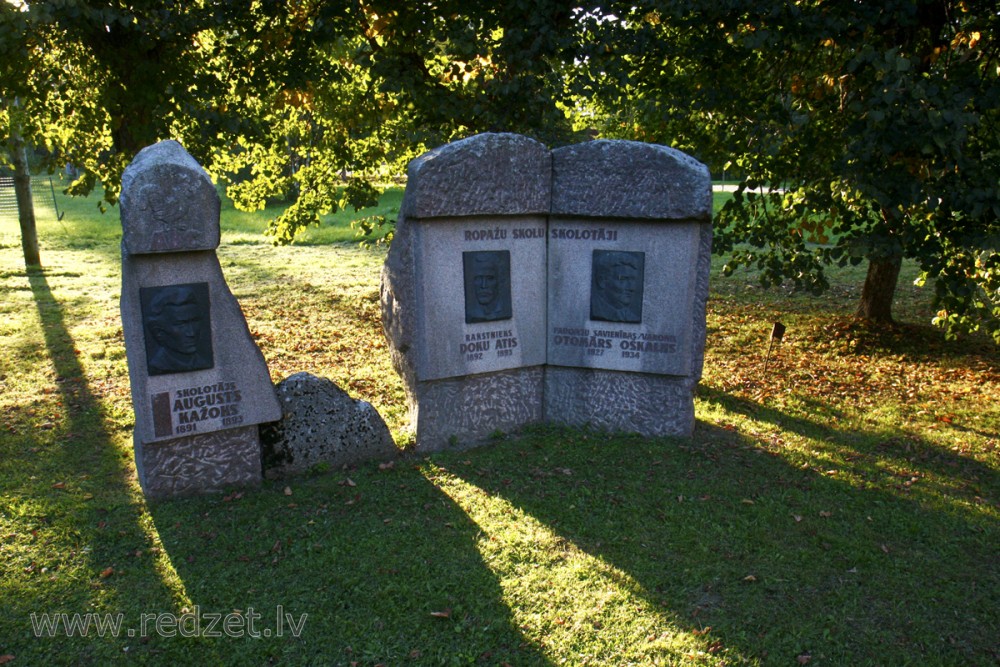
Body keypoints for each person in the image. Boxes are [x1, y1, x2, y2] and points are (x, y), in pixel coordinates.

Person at [142, 284, 214, 375]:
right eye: (181, 325)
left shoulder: (203, 361)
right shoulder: (158, 365)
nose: (191, 333)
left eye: (194, 321)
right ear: (158, 332)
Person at [590, 250, 644, 323]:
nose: (632, 288)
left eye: (632, 280)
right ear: (601, 281)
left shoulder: (631, 316)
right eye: (623, 279)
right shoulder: (594, 309)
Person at [464, 251, 512, 323]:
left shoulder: (506, 309)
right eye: (478, 278)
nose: (483, 285)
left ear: (499, 281)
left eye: (490, 278)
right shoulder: (471, 312)